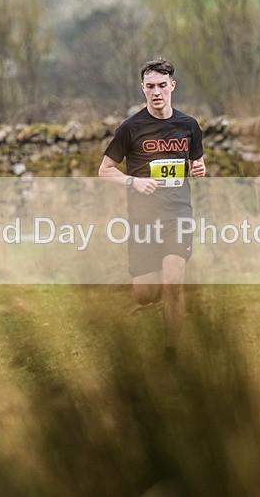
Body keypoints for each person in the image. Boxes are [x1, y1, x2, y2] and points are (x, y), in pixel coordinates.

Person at [98, 58, 206, 359]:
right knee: (145, 295)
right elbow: (105, 170)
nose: (156, 92)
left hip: (178, 214)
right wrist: (133, 182)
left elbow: (197, 161)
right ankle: (158, 274)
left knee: (174, 282)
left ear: (172, 86)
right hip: (144, 218)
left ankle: (171, 350)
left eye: (161, 85)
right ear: (142, 89)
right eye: (150, 87)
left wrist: (199, 168)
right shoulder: (130, 129)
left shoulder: (189, 126)